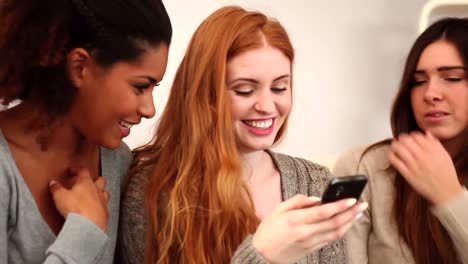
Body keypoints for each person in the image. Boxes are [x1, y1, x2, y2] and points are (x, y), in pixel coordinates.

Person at [118, 6, 367, 264]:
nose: (268, 106)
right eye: (245, 90)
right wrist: (262, 256)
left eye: (280, 87)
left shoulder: (316, 183)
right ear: (205, 95)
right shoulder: (152, 192)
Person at [0, 0, 172, 263]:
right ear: (80, 67)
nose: (150, 109)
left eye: (154, 88)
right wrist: (84, 233)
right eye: (140, 87)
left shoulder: (118, 161)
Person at [333, 17, 468, 264]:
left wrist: (450, 196)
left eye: (452, 77)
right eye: (419, 81)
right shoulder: (361, 168)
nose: (430, 94)